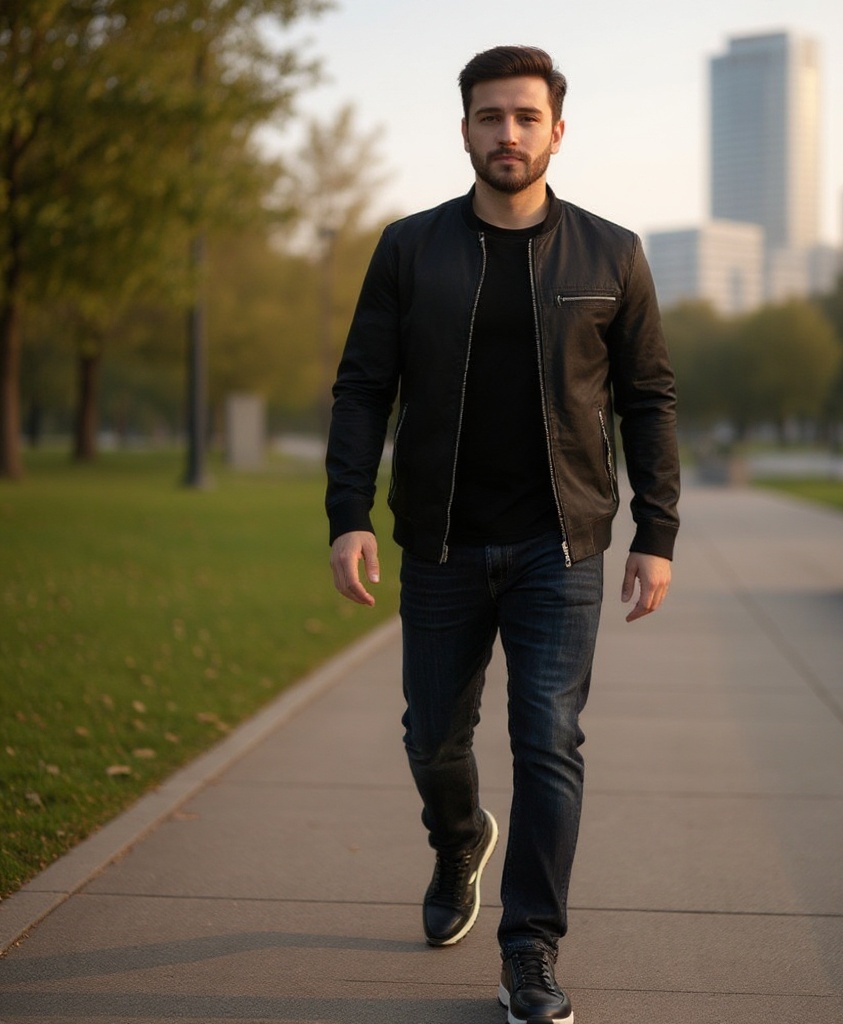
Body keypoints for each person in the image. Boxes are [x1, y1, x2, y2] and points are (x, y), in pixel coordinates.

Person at [326, 44, 679, 1024]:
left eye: (526, 117)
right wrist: (348, 514)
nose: (508, 133)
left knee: (549, 740)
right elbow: (362, 389)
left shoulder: (611, 253)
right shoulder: (410, 249)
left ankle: (529, 949)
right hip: (440, 542)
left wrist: (657, 530)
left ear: (557, 130)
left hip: (558, 547)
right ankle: (457, 840)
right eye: (490, 116)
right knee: (432, 736)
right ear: (465, 130)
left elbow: (648, 399)